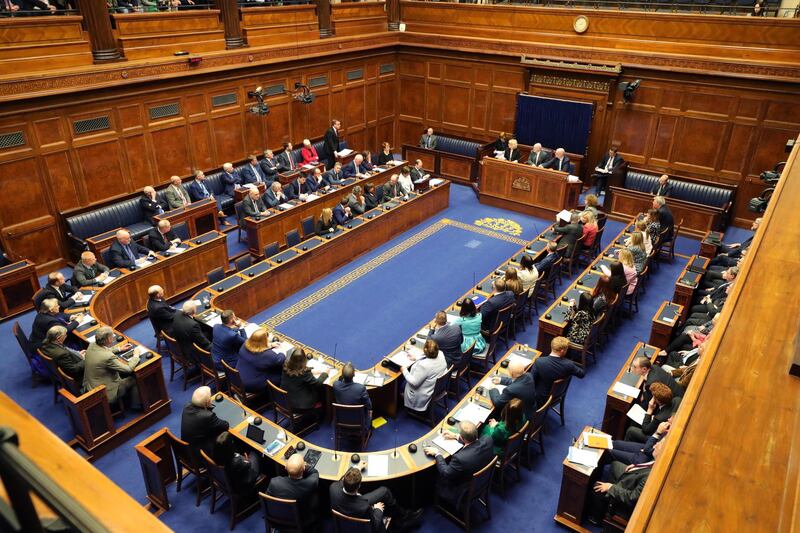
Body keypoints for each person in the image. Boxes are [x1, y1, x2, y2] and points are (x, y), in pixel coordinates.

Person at [590, 438, 665, 524]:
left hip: (627, 500)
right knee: (615, 465)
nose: (655, 445)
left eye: (659, 444)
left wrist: (611, 487)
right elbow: (647, 458)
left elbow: (632, 499)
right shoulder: (658, 460)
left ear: (663, 452)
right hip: (631, 479)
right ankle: (606, 504)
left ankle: (596, 519)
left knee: (597, 486)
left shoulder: (649, 477)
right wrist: (636, 466)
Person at [423, 421, 496, 508]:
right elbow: (473, 443)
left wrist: (437, 453)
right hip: (481, 482)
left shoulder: (460, 459)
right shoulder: (488, 440)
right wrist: (455, 436)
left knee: (429, 474)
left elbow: (446, 473)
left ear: (463, 437)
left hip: (461, 490)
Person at [330, 466, 421, 531]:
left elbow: (342, 480)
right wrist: (378, 509)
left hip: (345, 518)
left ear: (343, 482)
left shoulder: (333, 488)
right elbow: (375, 524)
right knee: (384, 492)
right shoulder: (364, 507)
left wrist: (356, 467)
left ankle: (402, 515)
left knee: (384, 491)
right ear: (359, 486)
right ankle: (402, 518)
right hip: (363, 518)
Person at [82, 326, 140, 406]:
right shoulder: (108, 357)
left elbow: (103, 350)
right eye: (112, 336)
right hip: (105, 393)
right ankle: (136, 406)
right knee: (134, 377)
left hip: (91, 386)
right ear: (108, 339)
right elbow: (128, 369)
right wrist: (136, 356)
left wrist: (119, 349)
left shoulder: (92, 345)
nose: (113, 337)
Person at [266, 454, 320, 531]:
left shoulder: (274, 482)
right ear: (304, 468)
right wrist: (304, 465)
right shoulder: (310, 484)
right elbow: (314, 472)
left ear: (285, 467)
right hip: (302, 521)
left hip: (277, 518)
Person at [530, 337, 586, 406]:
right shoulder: (569, 365)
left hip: (541, 399)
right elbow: (582, 374)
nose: (567, 351)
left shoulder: (539, 362)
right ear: (562, 351)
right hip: (558, 395)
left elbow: (531, 382)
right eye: (567, 349)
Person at [181, 385, 229, 459]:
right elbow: (225, 425)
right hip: (200, 455)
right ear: (207, 402)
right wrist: (208, 408)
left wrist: (206, 407)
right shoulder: (207, 416)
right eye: (210, 397)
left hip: (187, 450)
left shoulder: (187, 406)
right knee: (226, 436)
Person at [212, 431, 261, 500]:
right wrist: (246, 458)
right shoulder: (237, 461)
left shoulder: (217, 454)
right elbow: (248, 464)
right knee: (255, 453)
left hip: (230, 479)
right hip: (244, 483)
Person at [402, 339, 447, 413]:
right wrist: (416, 358)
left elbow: (414, 383)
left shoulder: (424, 366)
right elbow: (429, 359)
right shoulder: (441, 354)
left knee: (402, 381)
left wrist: (403, 370)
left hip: (421, 394)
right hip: (437, 387)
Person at [333, 362, 372, 427]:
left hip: (341, 418)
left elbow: (338, 381)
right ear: (354, 375)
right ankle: (365, 428)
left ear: (342, 375)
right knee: (369, 411)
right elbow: (369, 406)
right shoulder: (360, 388)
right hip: (359, 420)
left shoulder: (336, 385)